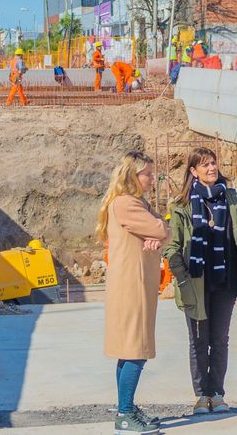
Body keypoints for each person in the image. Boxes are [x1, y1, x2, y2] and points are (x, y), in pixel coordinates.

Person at [163, 148, 237, 415]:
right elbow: (171, 247)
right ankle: (201, 395)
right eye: (204, 165)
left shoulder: (231, 198)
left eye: (213, 163)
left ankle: (217, 393)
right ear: (193, 171)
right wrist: (181, 276)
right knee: (197, 340)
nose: (211, 168)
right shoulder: (181, 205)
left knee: (220, 339)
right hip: (195, 282)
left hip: (225, 280)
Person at [97, 151, 169, 435]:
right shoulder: (127, 204)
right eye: (148, 174)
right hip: (131, 287)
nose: (153, 179)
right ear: (132, 176)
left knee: (128, 351)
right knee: (135, 350)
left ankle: (126, 408)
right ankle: (125, 413)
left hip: (135, 285)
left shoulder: (137, 203)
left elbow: (165, 231)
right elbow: (162, 227)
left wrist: (161, 233)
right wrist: (160, 230)